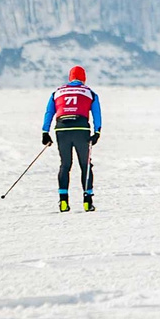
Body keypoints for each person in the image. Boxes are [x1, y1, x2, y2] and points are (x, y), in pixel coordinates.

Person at [42, 64, 101, 211]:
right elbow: (97, 114)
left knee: (65, 165)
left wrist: (45, 132)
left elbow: (49, 112)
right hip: (81, 129)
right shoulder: (90, 93)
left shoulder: (57, 92)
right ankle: (87, 200)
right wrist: (97, 132)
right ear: (84, 78)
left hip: (62, 129)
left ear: (70, 78)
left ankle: (63, 201)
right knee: (85, 165)